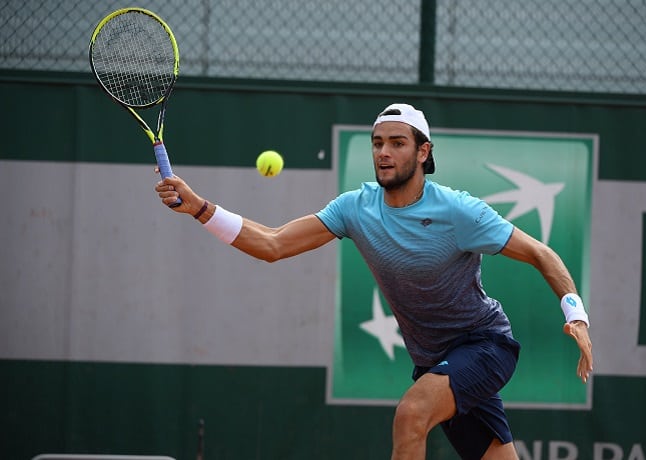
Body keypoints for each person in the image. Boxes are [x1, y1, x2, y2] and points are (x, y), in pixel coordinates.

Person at [155, 103, 593, 460]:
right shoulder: (355, 208)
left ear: (423, 152)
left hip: (485, 346)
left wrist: (575, 313)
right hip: (433, 360)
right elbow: (272, 244)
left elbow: (540, 253)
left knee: (411, 414)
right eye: (378, 143)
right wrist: (200, 209)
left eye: (397, 143)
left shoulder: (460, 211)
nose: (384, 152)